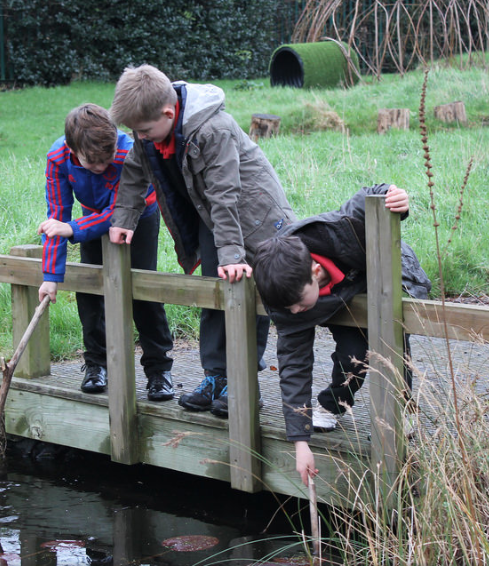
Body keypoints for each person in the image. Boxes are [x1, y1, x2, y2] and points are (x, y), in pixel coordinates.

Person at [107, 64, 296, 417]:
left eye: (144, 130)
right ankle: (216, 376)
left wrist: (232, 256)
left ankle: (244, 384)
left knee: (249, 294)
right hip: (213, 218)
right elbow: (134, 170)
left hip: (253, 217)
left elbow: (226, 195)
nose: (141, 137)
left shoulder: (214, 129)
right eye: (136, 131)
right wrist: (124, 219)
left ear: (168, 112)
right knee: (214, 293)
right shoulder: (149, 128)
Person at [251, 184, 432, 486]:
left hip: (379, 276)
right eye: (289, 308)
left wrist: (394, 197)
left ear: (315, 271)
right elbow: (294, 366)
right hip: (339, 299)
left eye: (298, 303)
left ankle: (404, 408)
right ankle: (332, 405)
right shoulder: (285, 297)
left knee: (393, 345)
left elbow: (369, 196)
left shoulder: (338, 230)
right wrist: (300, 441)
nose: (295, 312)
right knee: (354, 357)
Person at [38, 103, 175, 401]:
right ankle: (96, 365)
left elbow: (118, 210)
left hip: (138, 214)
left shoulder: (129, 152)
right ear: (73, 150)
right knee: (90, 291)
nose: (101, 167)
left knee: (142, 290)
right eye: (92, 162)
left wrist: (72, 229)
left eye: (106, 158)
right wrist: (50, 276)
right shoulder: (58, 158)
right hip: (88, 217)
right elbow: (56, 217)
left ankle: (159, 370)